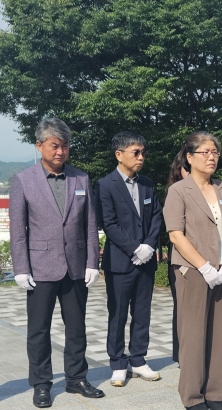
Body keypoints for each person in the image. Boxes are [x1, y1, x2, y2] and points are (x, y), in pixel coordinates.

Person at [9, 117, 103, 408]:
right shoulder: (24, 180)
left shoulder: (80, 179)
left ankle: (76, 378)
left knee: (76, 327)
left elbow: (89, 224)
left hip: (75, 265)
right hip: (40, 267)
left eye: (65, 146)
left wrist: (92, 261)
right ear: (39, 146)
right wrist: (21, 268)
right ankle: (41, 383)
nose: (60, 152)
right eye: (54, 146)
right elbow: (18, 230)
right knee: (39, 329)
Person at [164, 131, 222, 410]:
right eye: (205, 152)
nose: (212, 157)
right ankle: (193, 395)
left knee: (221, 332)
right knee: (193, 333)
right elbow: (176, 234)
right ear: (189, 156)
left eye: (216, 152)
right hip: (192, 271)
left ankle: (215, 392)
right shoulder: (178, 191)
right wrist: (204, 266)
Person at [95, 132, 163, 386]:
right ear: (119, 154)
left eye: (143, 152)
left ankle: (138, 359)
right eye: (136, 152)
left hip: (146, 260)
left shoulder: (147, 183)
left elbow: (156, 216)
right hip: (121, 261)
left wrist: (149, 246)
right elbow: (109, 224)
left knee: (142, 312)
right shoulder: (105, 185)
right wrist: (135, 248)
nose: (141, 157)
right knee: (118, 313)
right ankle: (117, 362)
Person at [166, 158, 189, 362]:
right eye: (186, 169)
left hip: (209, 261)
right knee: (182, 309)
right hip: (182, 260)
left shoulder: (213, 190)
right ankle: (182, 354)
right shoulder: (175, 191)